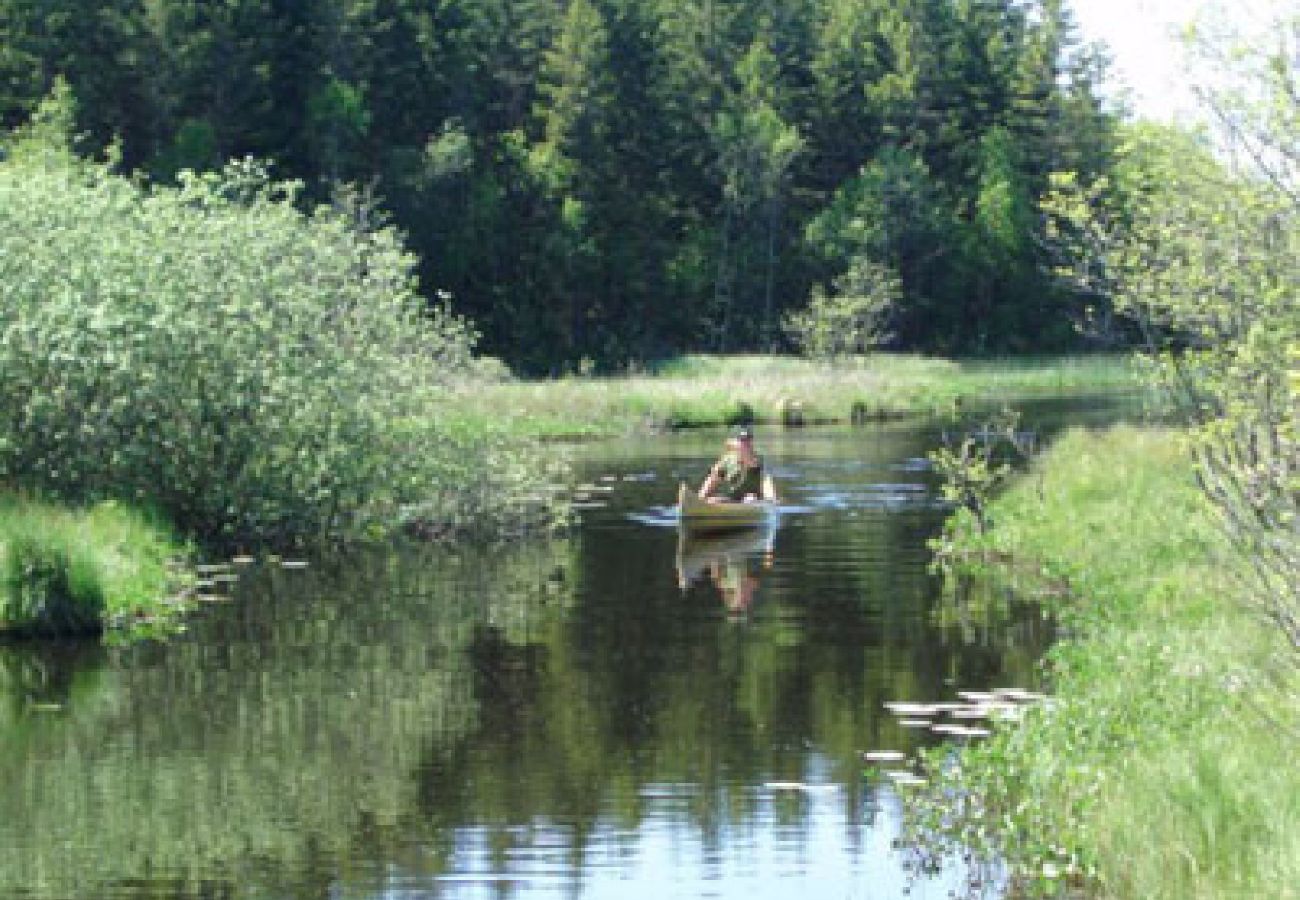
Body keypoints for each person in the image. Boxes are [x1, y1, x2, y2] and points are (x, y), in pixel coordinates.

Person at [698, 426, 764, 503]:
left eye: (748, 440)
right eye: (742, 440)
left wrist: (735, 446)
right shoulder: (727, 460)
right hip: (731, 500)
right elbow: (714, 477)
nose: (745, 443)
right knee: (713, 498)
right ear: (737, 441)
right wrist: (702, 497)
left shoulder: (756, 459)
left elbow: (749, 460)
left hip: (750, 500)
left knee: (750, 498)